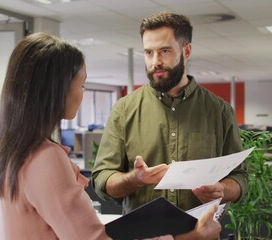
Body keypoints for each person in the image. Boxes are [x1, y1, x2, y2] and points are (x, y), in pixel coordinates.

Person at [0, 32, 221, 240]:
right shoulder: (45, 159)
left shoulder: (9, 152)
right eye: (81, 84)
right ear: (59, 89)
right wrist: (194, 237)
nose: (83, 93)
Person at [92, 11, 247, 215]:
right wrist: (135, 179)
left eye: (164, 51)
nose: (155, 61)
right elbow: (102, 179)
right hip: (142, 234)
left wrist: (223, 189)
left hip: (199, 233)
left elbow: (240, 178)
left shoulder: (219, 110)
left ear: (187, 50)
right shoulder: (124, 109)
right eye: (148, 52)